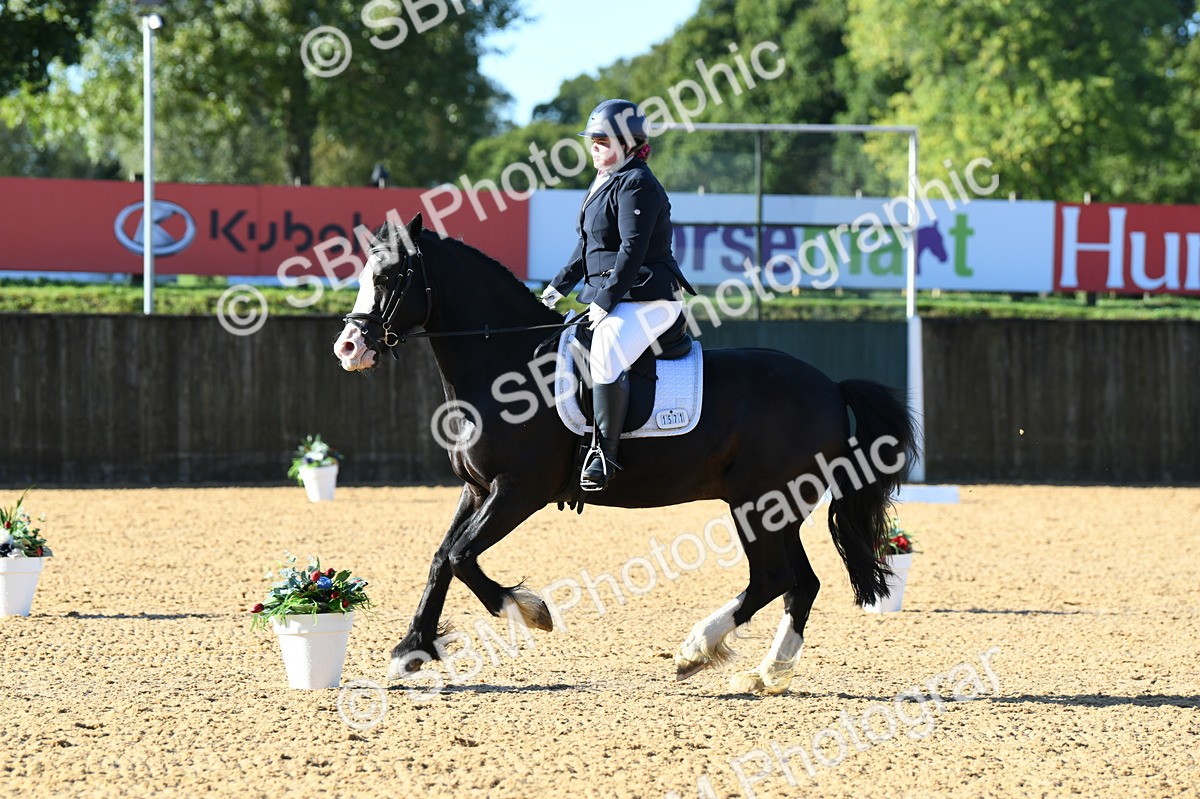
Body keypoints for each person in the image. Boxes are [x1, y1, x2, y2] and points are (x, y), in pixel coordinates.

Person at [540, 99, 695, 491]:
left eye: (602, 140)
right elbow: (586, 247)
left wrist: (603, 302)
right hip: (614, 295)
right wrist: (556, 288)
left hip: (649, 300)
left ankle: (603, 456)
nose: (594, 146)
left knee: (606, 349)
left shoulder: (637, 183)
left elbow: (632, 250)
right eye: (591, 139)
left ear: (629, 143)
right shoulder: (604, 180)